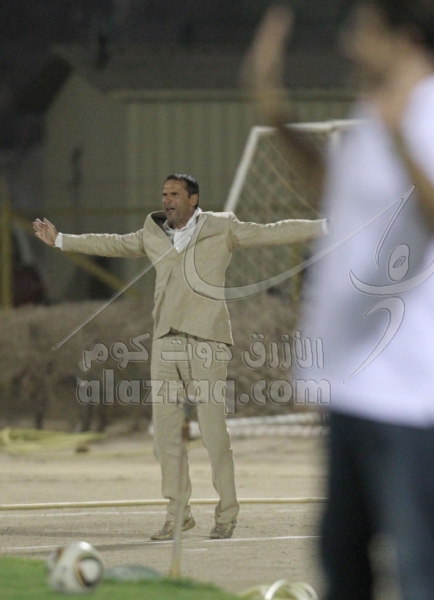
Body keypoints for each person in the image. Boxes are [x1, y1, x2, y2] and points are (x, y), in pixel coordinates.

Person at [243, 1, 434, 598]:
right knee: (342, 555)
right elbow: (339, 192)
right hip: (359, 377)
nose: (348, 43)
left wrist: (401, 138)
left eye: (362, 30)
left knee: (418, 562)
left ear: (405, 40)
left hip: (418, 387)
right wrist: (275, 110)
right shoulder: (379, 106)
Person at [33, 173, 327, 540]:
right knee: (165, 437)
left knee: (214, 433)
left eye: (174, 193)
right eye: (164, 193)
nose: (167, 199)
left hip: (207, 343)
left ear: (193, 199)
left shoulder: (222, 227)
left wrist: (326, 226)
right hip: (165, 344)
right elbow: (112, 243)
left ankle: (227, 514)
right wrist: (61, 239)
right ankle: (177, 515)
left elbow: (273, 231)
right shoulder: (151, 232)